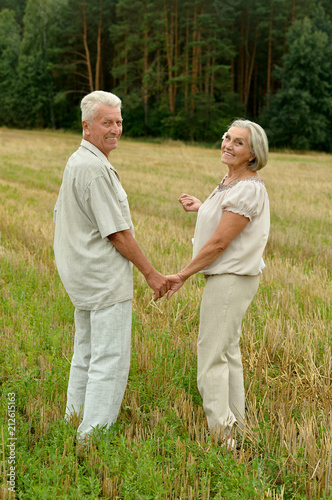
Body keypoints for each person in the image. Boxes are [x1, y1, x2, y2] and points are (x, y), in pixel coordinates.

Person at [53, 90, 169, 442]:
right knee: (110, 359)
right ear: (86, 127)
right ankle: (93, 436)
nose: (116, 129)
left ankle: (74, 419)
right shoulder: (95, 169)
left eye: (119, 121)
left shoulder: (78, 160)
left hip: (84, 277)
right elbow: (118, 233)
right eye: (107, 122)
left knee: (85, 353)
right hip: (103, 279)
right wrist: (151, 273)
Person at [166, 119, 270, 446]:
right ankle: (237, 426)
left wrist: (182, 274)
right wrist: (201, 207)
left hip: (230, 280)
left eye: (238, 142)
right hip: (231, 279)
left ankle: (223, 437)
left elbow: (219, 244)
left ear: (253, 154)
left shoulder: (248, 188)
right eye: (227, 137)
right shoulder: (230, 180)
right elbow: (224, 219)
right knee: (228, 352)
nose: (227, 144)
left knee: (210, 355)